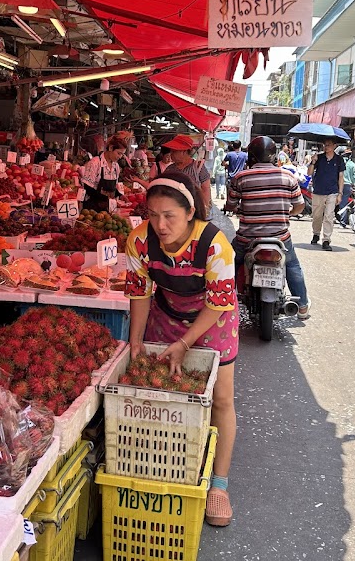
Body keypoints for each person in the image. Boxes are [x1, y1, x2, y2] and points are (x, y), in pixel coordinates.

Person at [124, 170, 239, 527]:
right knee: (163, 391)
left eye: (169, 215)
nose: (160, 224)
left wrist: (186, 342)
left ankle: (218, 484)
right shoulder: (139, 240)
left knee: (221, 398)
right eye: (153, 215)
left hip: (213, 319)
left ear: (190, 212)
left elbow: (219, 301)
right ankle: (168, 461)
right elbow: (140, 294)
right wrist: (136, 342)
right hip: (166, 313)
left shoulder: (215, 244)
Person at [226, 136, 310, 319]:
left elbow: (231, 205)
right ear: (274, 156)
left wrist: (239, 208)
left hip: (247, 239)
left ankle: (223, 301)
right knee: (292, 264)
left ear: (252, 157)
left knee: (230, 263)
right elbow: (300, 205)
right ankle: (302, 306)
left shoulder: (241, 177)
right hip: (280, 238)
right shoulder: (288, 176)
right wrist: (288, 214)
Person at [308, 139, 346, 250]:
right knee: (317, 215)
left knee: (329, 216)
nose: (326, 146)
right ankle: (316, 233)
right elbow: (309, 173)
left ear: (335, 146)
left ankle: (326, 240)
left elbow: (341, 177)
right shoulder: (318, 158)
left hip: (332, 192)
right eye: (325, 144)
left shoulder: (339, 160)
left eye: (329, 145)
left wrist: (340, 193)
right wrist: (313, 162)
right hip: (318, 191)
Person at [162, 134, 213, 218]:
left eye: (174, 151)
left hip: (195, 212)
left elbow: (206, 188)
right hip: (175, 212)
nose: (171, 154)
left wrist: (204, 209)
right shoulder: (170, 169)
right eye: (171, 151)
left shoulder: (198, 167)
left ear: (184, 151)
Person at [80, 134, 126, 211]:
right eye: (119, 153)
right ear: (111, 148)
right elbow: (87, 188)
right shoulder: (95, 163)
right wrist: (105, 199)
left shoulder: (116, 167)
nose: (120, 157)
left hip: (109, 209)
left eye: (122, 154)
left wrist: (120, 195)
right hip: (92, 209)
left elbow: (112, 188)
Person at [339, 148, 355, 221]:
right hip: (347, 185)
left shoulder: (339, 162)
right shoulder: (352, 164)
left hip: (338, 184)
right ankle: (343, 221)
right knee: (344, 203)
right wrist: (352, 182)